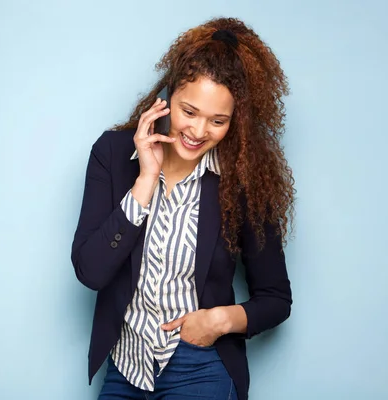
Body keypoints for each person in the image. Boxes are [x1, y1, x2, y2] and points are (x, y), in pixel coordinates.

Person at [72, 16, 295, 400]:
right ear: (167, 97)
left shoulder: (243, 182)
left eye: (218, 121)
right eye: (189, 112)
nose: (197, 131)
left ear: (235, 121)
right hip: (125, 368)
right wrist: (145, 181)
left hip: (200, 368)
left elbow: (275, 299)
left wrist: (218, 320)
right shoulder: (111, 154)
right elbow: (90, 271)